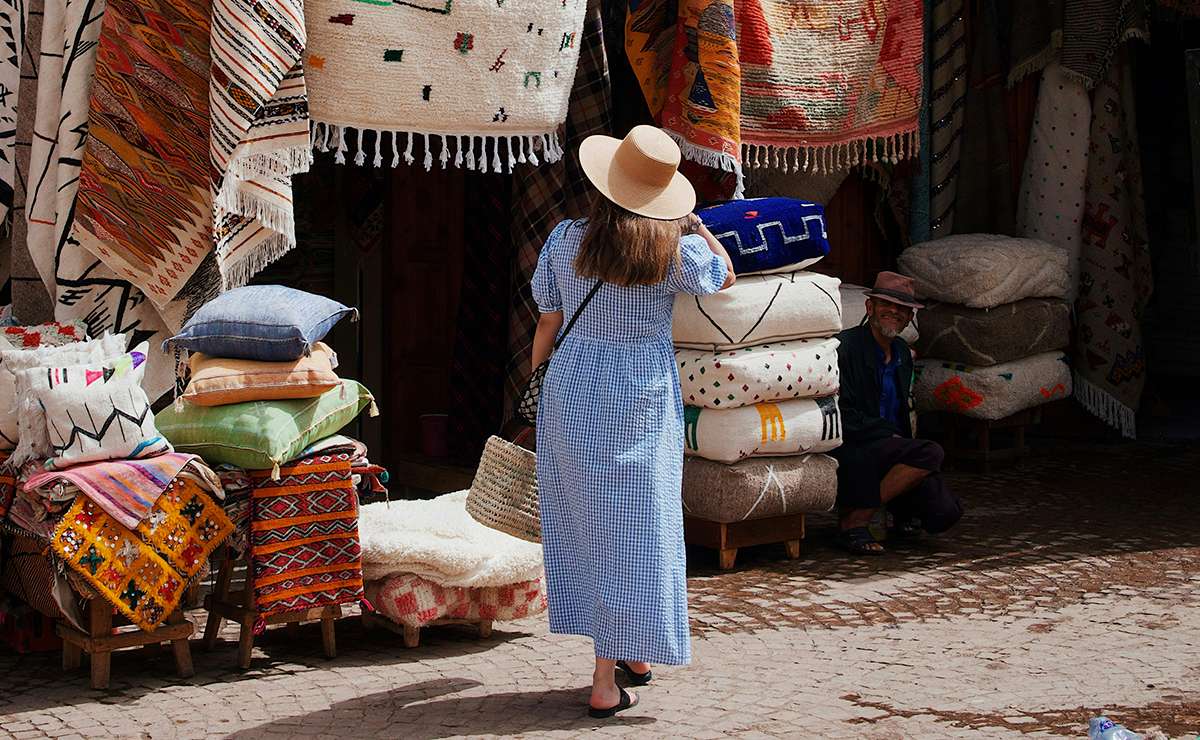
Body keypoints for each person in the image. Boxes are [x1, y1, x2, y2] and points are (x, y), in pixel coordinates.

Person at [529, 125, 735, 718]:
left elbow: (547, 321)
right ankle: (604, 678)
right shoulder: (671, 251)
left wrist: (539, 389)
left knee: (586, 522)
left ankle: (632, 656)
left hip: (571, 389)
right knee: (639, 527)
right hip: (638, 398)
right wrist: (700, 230)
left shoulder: (566, 239)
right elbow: (724, 278)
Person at [831, 271, 964, 555]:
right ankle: (856, 521)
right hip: (859, 443)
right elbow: (843, 412)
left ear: (908, 318)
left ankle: (892, 509)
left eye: (902, 309)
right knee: (930, 453)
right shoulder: (847, 347)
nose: (895, 312)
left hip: (892, 445)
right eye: (887, 306)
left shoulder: (902, 353)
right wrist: (885, 434)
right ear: (870, 308)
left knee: (945, 512)